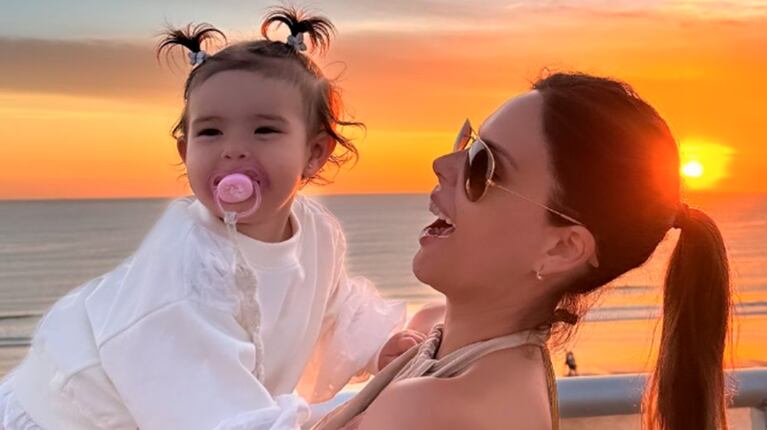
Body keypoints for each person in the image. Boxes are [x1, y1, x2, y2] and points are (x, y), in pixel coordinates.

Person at [0, 7, 417, 430]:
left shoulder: (317, 232)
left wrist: (376, 347)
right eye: (210, 132)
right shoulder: (186, 272)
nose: (233, 149)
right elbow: (206, 407)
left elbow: (331, 305)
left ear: (314, 153)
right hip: (69, 417)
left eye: (265, 130)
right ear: (185, 153)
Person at [314, 72, 732, 430]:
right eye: (467, 141)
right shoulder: (443, 339)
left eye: (482, 165)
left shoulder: (436, 411)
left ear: (561, 248)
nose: (444, 164)